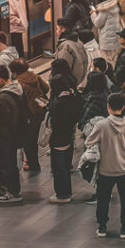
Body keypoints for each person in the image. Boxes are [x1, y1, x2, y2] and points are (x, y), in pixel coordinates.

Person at [88, 92, 125, 238]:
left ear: (108, 107)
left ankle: (102, 227)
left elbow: (89, 142)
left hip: (106, 169)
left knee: (103, 199)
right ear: (123, 107)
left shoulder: (101, 125)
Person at [47, 70, 81, 204]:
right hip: (69, 135)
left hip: (59, 137)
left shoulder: (60, 103)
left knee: (59, 167)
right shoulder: (72, 97)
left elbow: (55, 120)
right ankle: (66, 192)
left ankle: (62, 194)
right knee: (65, 165)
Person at [10, 59, 49, 173]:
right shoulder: (35, 76)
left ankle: (34, 165)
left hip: (29, 114)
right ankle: (33, 163)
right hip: (40, 109)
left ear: (15, 71)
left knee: (28, 141)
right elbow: (47, 88)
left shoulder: (18, 83)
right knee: (33, 138)